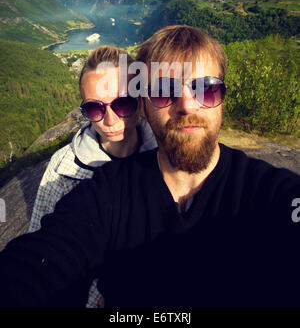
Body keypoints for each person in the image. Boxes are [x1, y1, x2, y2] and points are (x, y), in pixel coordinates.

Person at [1, 25, 300, 308]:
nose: (186, 105)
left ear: (222, 99)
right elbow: (45, 260)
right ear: (145, 103)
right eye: (163, 91)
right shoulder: (105, 194)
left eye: (205, 89)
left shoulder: (268, 192)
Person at [28, 44, 157, 307]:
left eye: (123, 103)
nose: (109, 120)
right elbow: (41, 251)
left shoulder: (166, 158)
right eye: (95, 109)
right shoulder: (64, 169)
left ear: (140, 100)